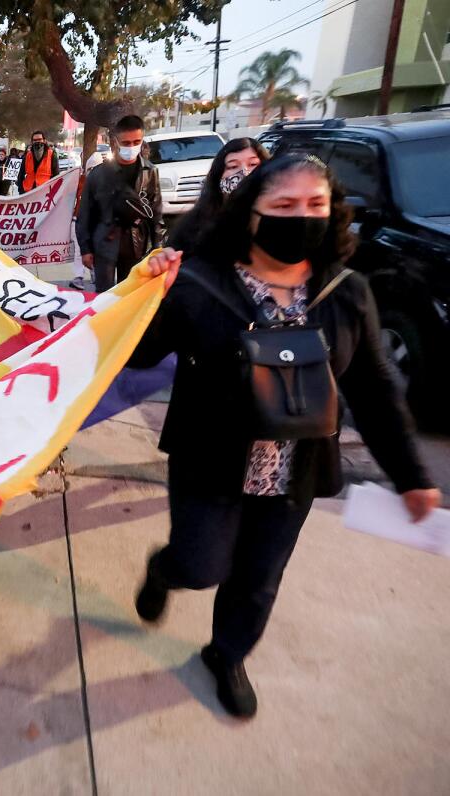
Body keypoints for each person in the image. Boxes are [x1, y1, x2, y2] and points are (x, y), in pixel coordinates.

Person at [126, 154, 441, 719]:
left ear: (333, 212)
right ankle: (164, 570)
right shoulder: (198, 281)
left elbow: (374, 390)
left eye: (315, 205)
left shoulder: (347, 294)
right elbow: (139, 353)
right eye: (284, 206)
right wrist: (146, 290)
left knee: (258, 579)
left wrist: (412, 476)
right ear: (251, 214)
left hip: (295, 472)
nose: (301, 217)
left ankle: (226, 655)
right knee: (202, 565)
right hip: (209, 462)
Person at [75, 115, 163, 292]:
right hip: (104, 244)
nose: (131, 147)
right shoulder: (98, 174)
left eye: (136, 142)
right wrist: (85, 249)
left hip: (135, 244)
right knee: (104, 298)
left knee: (130, 295)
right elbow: (84, 215)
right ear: (115, 141)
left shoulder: (150, 172)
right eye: (126, 143)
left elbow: (156, 212)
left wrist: (157, 248)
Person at [167, 137, 269, 254]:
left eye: (253, 164)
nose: (244, 172)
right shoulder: (194, 227)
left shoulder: (280, 219)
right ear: (218, 176)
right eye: (233, 166)